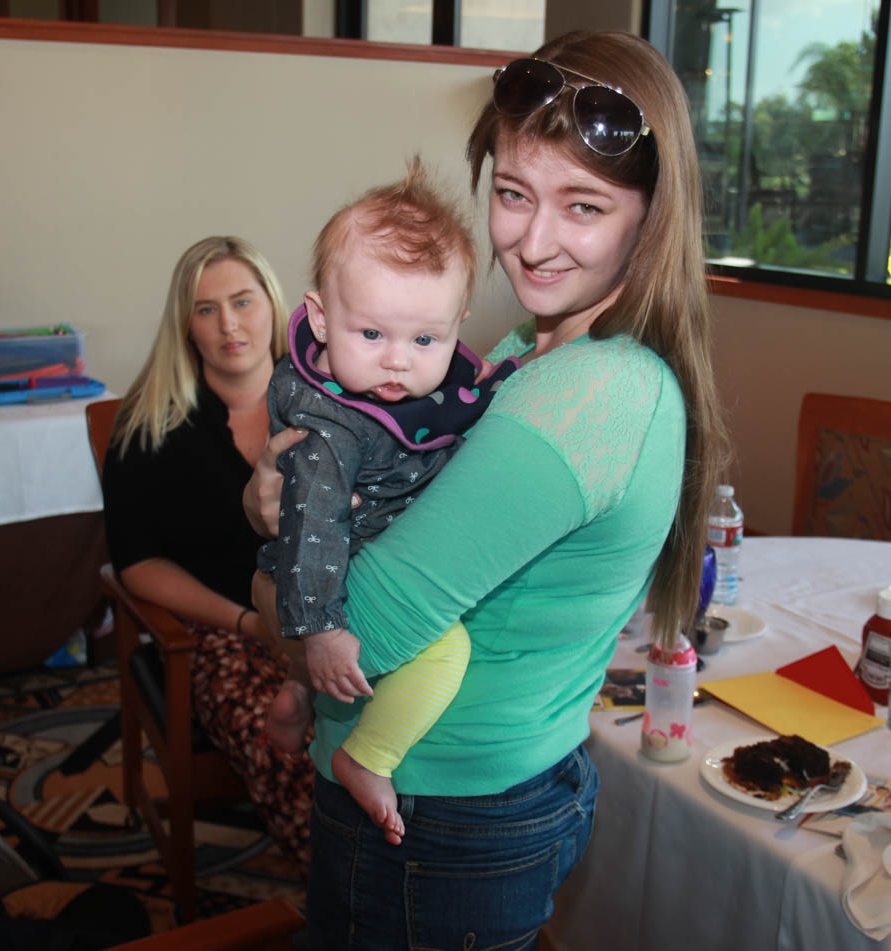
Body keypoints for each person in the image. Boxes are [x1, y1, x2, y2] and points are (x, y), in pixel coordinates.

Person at [246, 30, 727, 948]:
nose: (532, 241)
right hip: (476, 792)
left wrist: (262, 572)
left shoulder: (589, 394)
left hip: (442, 814)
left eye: (582, 205)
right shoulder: (525, 352)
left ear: (650, 216)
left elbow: (366, 629)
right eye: (512, 193)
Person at [258, 162, 520, 845]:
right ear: (319, 317)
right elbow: (312, 520)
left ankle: (292, 694)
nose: (398, 361)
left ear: (457, 324)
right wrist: (317, 626)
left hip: (341, 557)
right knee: (444, 651)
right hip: (323, 568)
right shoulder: (332, 421)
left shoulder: (412, 378)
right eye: (371, 335)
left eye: (425, 340)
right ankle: (368, 756)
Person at [102, 236, 313, 868]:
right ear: (184, 325)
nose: (229, 324)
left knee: (414, 741)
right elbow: (136, 562)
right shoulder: (150, 426)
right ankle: (350, 908)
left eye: (243, 301)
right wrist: (250, 623)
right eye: (206, 309)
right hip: (223, 634)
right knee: (302, 767)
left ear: (272, 307)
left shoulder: (330, 401)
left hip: (332, 616)